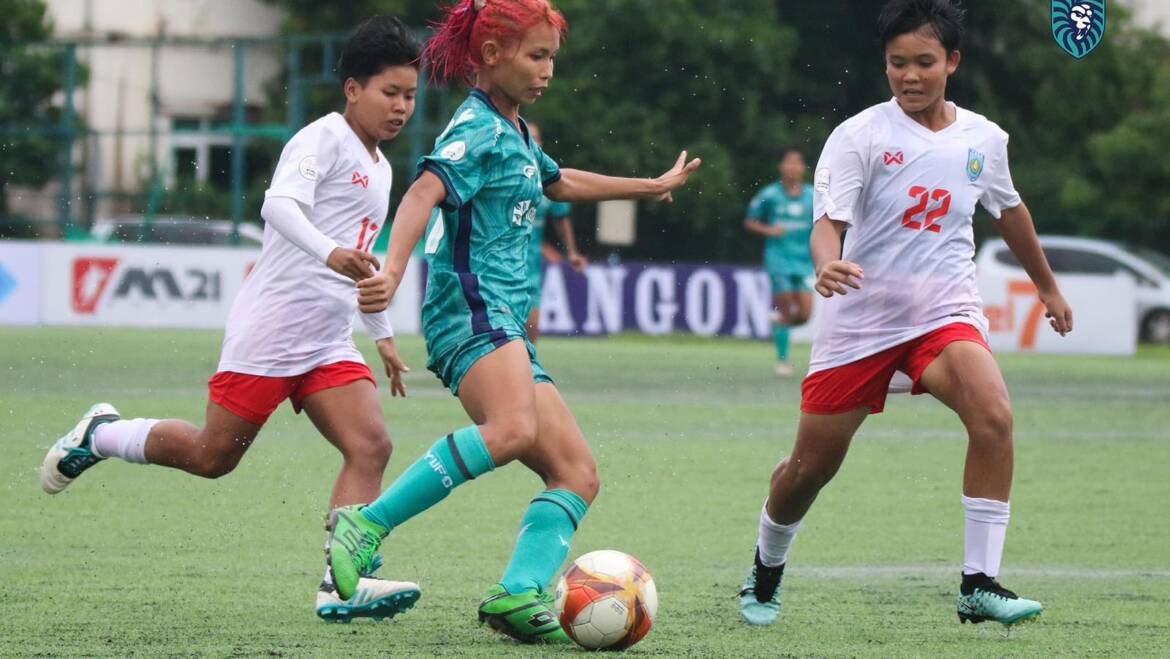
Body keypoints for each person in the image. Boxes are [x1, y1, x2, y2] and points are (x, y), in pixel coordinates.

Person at [323, 0, 700, 644]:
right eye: (536, 55)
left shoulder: (518, 131)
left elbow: (558, 184)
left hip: (503, 324)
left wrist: (646, 185)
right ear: (492, 57)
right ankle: (368, 524)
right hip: (468, 309)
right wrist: (391, 268)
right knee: (513, 427)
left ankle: (517, 593)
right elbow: (421, 193)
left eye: (552, 56)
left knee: (577, 473)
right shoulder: (475, 128)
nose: (548, 69)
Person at [40, 16, 424, 623]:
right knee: (212, 457)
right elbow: (278, 205)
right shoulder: (322, 139)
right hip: (271, 333)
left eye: (409, 95)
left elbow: (361, 263)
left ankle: (341, 583)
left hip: (326, 340)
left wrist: (381, 337)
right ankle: (102, 434)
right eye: (390, 93)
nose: (401, 107)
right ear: (352, 89)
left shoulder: (381, 168)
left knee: (372, 444)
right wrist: (330, 252)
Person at [737, 0, 1073, 629]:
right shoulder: (858, 135)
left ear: (953, 61)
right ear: (885, 64)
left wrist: (1047, 287)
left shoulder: (985, 139)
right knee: (809, 469)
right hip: (860, 321)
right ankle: (766, 565)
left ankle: (979, 583)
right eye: (897, 64)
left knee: (993, 414)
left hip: (943, 313)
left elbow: (1010, 211)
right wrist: (826, 263)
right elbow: (827, 223)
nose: (910, 76)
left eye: (924, 62)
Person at [744, 148, 815, 376]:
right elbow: (750, 222)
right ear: (781, 166)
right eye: (788, 162)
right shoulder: (770, 194)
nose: (792, 167)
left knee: (803, 315)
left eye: (797, 163)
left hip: (804, 259)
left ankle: (779, 325)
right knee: (785, 306)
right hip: (779, 259)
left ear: (804, 168)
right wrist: (769, 230)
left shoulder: (814, 196)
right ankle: (783, 360)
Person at [523, 121, 588, 342]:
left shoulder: (546, 177)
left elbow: (561, 216)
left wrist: (571, 252)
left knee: (532, 328)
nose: (533, 142)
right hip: (498, 265)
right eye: (528, 137)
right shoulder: (503, 169)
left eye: (537, 137)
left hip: (531, 267)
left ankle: (528, 368)